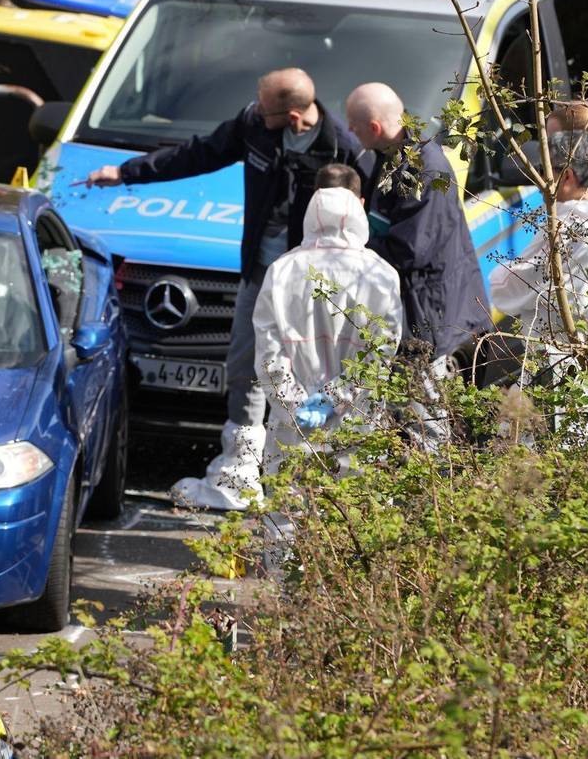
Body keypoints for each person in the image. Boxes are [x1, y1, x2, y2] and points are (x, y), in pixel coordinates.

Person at [88, 68, 368, 510]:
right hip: (260, 273)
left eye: (265, 107)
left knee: (309, 375)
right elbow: (196, 154)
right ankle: (237, 474)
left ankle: (308, 486)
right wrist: (125, 172)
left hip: (314, 288)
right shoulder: (254, 126)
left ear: (294, 116)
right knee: (245, 366)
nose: (255, 111)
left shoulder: (342, 151)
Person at [344, 82, 492, 448]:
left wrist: (351, 254)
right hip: (415, 307)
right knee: (407, 412)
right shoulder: (389, 156)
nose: (350, 132)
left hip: (431, 315)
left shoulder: (424, 168)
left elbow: (410, 248)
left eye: (354, 125)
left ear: (375, 128)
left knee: (427, 422)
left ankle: (435, 494)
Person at [253, 164, 403, 476]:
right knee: (354, 516)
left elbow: (269, 354)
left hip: (291, 428)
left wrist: (295, 405)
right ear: (360, 206)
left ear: (313, 204)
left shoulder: (282, 271)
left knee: (287, 517)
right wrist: (335, 398)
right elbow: (380, 355)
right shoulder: (381, 275)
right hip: (357, 422)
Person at [489, 130, 588, 345]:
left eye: (542, 169)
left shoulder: (564, 230)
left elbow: (508, 292)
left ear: (567, 176)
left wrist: (498, 276)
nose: (539, 178)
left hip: (567, 363)